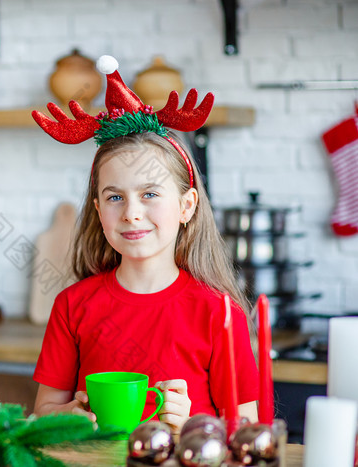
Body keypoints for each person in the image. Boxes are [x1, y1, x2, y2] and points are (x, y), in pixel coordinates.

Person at [30, 55, 259, 435]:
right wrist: (65, 415)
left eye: (150, 193)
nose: (132, 213)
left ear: (187, 206)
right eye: (115, 197)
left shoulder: (219, 312)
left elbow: (247, 431)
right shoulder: (72, 306)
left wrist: (193, 426)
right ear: (98, 209)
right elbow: (44, 412)